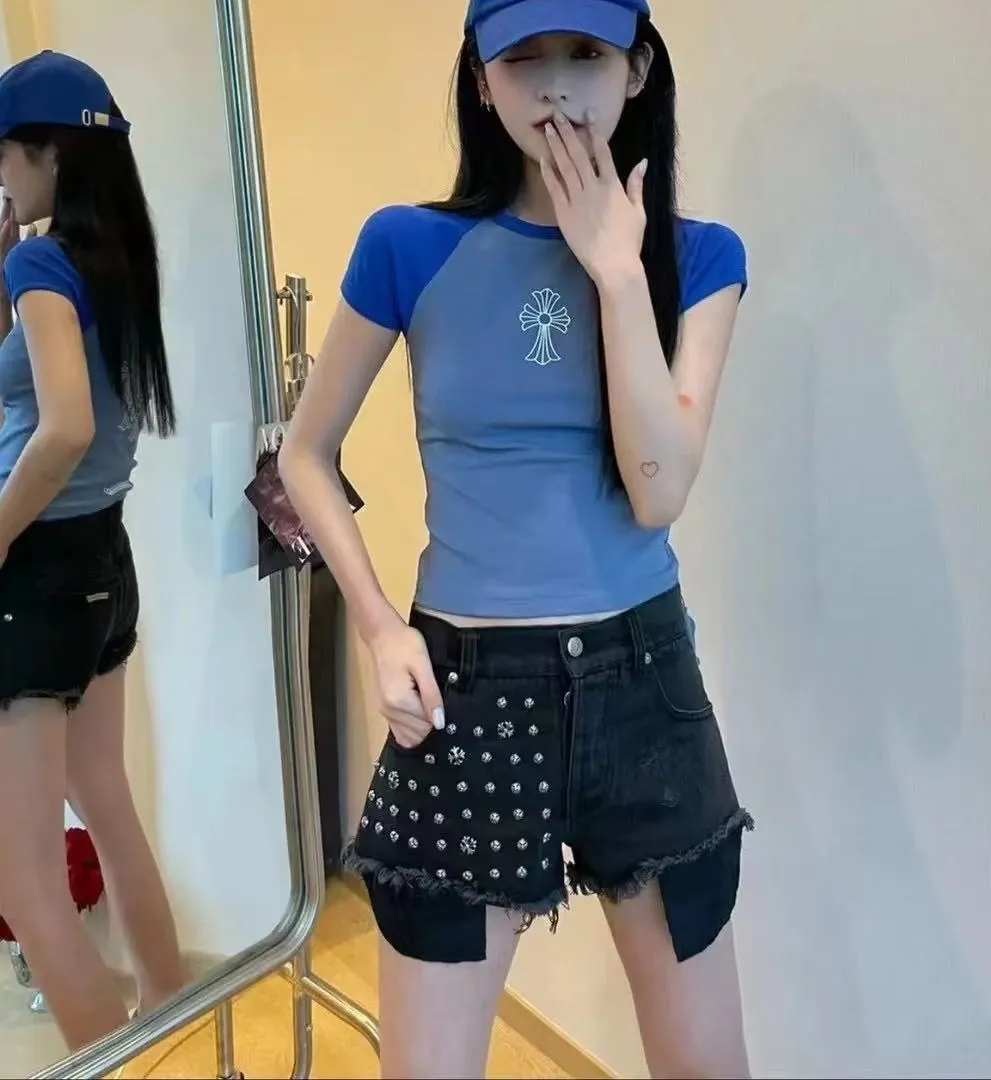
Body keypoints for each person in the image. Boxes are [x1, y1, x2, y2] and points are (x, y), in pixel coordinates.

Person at [280, 1, 753, 1075]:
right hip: (465, 692)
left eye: (585, 54)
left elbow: (658, 492)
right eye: (524, 57)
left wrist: (618, 274)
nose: (556, 86)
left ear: (637, 70)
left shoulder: (700, 259)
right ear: (480, 80)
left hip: (644, 685)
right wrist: (378, 628)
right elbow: (306, 454)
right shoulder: (408, 246)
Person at [0, 51, 185, 1051]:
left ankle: (106, 1060)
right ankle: (171, 1019)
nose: (1, 177)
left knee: (23, 880)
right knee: (104, 799)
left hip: (35, 572)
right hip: (104, 558)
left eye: (5, 156)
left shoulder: (43, 265)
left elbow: (62, 425)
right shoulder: (112, 259)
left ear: (50, 155)